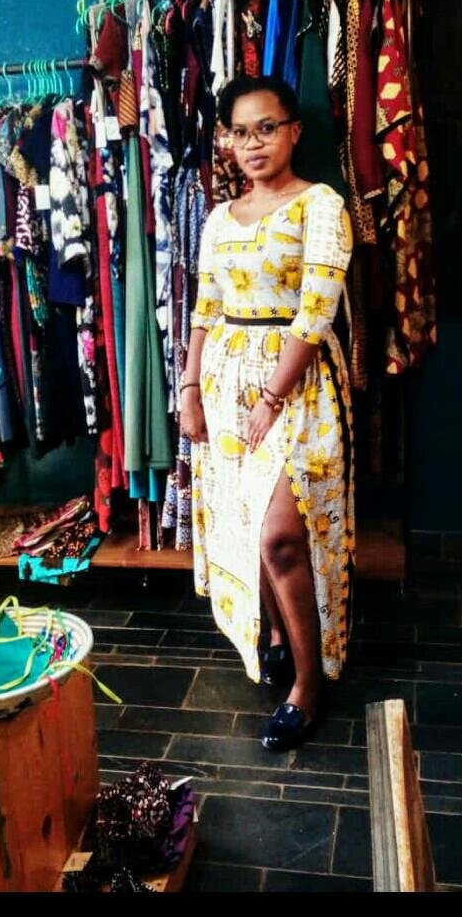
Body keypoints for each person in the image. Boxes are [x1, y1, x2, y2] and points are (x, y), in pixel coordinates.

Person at [179, 75, 355, 753]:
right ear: (225, 139)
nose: (253, 143)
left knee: (282, 535)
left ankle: (308, 685)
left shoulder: (320, 205)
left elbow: (316, 313)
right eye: (239, 131)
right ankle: (278, 635)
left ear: (293, 131)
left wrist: (273, 398)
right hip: (225, 382)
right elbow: (205, 309)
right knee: (250, 527)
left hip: (297, 384)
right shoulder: (219, 219)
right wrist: (190, 388)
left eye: (267, 128)